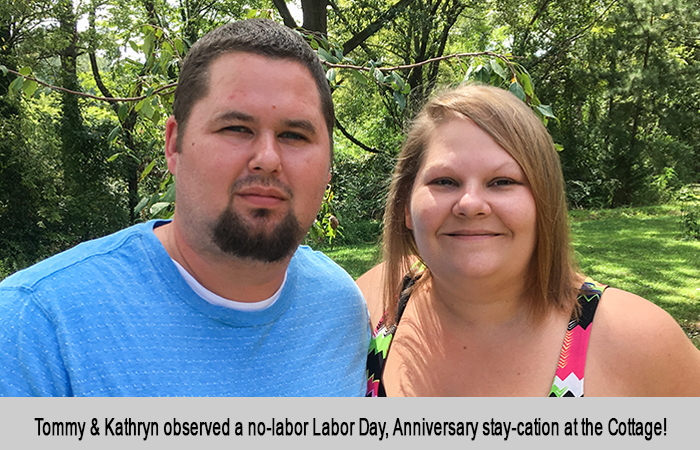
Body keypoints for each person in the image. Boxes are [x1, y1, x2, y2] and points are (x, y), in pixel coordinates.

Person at [0, 19, 369, 396]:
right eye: (236, 128)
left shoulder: (338, 307)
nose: (268, 159)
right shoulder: (34, 330)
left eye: (294, 135)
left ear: (328, 164)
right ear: (174, 145)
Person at [358, 84, 700, 397]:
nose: (471, 204)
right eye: (445, 181)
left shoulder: (636, 339)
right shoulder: (372, 302)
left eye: (502, 182)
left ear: (544, 201)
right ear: (406, 205)